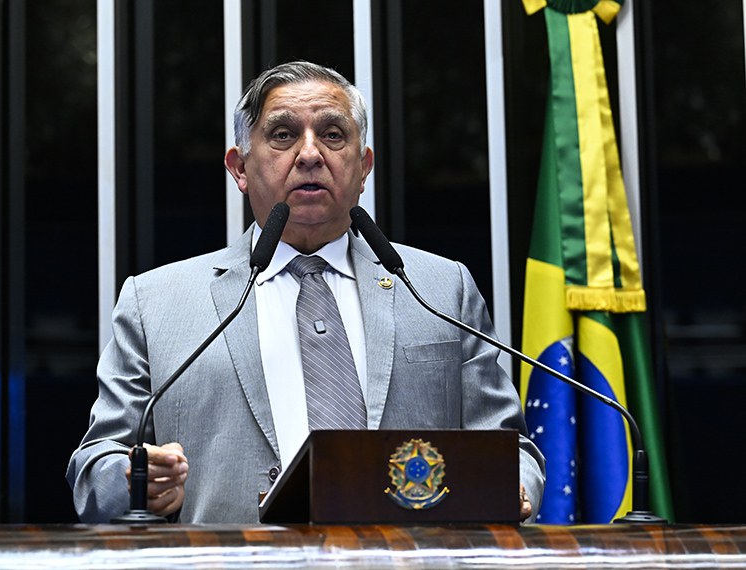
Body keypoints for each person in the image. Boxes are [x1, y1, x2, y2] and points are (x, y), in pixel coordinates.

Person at [67, 60, 545, 524]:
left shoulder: (440, 290)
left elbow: (511, 450)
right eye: (282, 135)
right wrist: (136, 479)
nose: (311, 153)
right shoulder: (156, 304)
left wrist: (514, 485)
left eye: (334, 135)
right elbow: (94, 471)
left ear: (364, 166)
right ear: (239, 167)